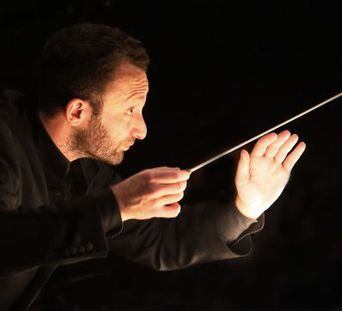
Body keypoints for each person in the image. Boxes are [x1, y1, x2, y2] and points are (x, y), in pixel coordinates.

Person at [0, 23, 306, 310]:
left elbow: (159, 239)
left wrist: (245, 209)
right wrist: (115, 205)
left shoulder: (83, 170)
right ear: (78, 111)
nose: (142, 129)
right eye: (130, 110)